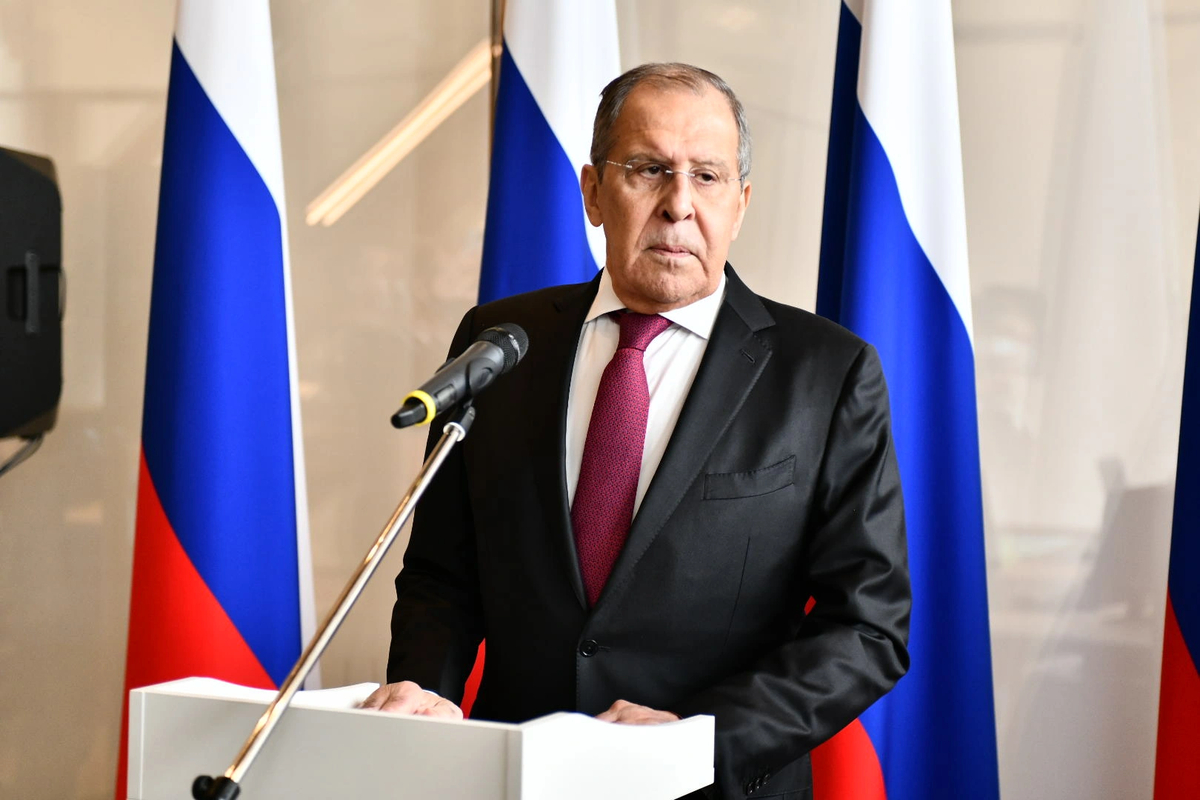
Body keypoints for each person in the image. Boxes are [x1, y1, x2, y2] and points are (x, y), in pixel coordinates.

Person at [363, 63, 910, 800]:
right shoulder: (501, 342)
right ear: (593, 192)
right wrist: (426, 690)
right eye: (649, 169)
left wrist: (699, 739)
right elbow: (442, 574)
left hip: (707, 785)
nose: (679, 204)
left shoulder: (827, 373)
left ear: (740, 204)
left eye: (707, 176)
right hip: (514, 775)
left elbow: (868, 628)